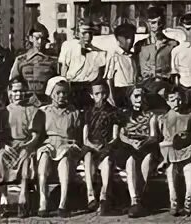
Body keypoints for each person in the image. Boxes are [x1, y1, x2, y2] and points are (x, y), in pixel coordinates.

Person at [33, 76, 83, 217]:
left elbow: (77, 136)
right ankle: (43, 200)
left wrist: (70, 145)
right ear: (51, 93)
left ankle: (63, 203)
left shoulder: (74, 112)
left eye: (64, 93)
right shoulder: (43, 111)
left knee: (65, 158)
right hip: (49, 144)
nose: (61, 96)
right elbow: (38, 134)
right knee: (43, 155)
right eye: (58, 93)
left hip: (67, 144)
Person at [0, 76, 40, 219]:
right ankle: (4, 200)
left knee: (26, 162)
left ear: (26, 91)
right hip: (9, 146)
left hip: (26, 146)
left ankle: (22, 199)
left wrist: (27, 146)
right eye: (15, 91)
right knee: (0, 158)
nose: (18, 94)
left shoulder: (33, 110)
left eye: (21, 91)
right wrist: (6, 146)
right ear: (10, 92)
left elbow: (35, 135)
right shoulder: (4, 111)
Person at [115, 85, 159, 218]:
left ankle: (140, 198)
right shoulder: (124, 113)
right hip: (128, 144)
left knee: (149, 158)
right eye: (136, 96)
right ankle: (134, 200)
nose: (140, 99)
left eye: (142, 96)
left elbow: (154, 135)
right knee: (131, 160)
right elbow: (121, 134)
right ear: (130, 98)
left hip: (146, 144)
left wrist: (143, 142)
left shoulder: (151, 115)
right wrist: (131, 142)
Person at [158, 85, 191, 216]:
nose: (176, 102)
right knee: (170, 169)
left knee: (189, 167)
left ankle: (189, 199)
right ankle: (173, 201)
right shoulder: (163, 118)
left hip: (185, 149)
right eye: (172, 99)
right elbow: (161, 138)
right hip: (168, 151)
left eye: (179, 99)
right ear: (167, 101)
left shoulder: (190, 116)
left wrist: (190, 143)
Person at [82, 79, 119, 215]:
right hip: (91, 145)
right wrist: (93, 145)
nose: (101, 97)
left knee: (107, 162)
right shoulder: (88, 112)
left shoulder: (113, 112)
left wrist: (106, 145)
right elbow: (85, 138)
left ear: (107, 93)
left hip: (106, 145)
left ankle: (104, 195)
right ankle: (90, 194)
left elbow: (115, 136)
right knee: (88, 156)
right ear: (92, 95)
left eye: (103, 93)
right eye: (97, 94)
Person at [58, 20, 106, 109]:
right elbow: (63, 68)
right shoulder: (68, 46)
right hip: (71, 87)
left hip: (89, 88)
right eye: (84, 33)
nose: (87, 36)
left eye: (90, 33)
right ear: (77, 33)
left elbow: (99, 76)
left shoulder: (99, 53)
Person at [135, 6, 178, 100]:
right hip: (147, 88)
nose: (157, 25)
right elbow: (137, 71)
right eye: (153, 22)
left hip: (166, 88)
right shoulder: (140, 45)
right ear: (148, 23)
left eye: (160, 22)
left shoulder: (172, 44)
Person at [9, 23, 59, 106]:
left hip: (46, 102)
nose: (40, 41)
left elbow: (58, 83)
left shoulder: (53, 60)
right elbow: (13, 82)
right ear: (31, 38)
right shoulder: (21, 60)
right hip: (25, 101)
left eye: (43, 39)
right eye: (37, 38)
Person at [105, 22, 139, 108]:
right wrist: (111, 98)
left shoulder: (133, 56)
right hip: (120, 92)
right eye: (126, 38)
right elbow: (109, 79)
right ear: (118, 39)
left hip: (133, 91)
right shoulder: (114, 56)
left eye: (132, 37)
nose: (130, 41)